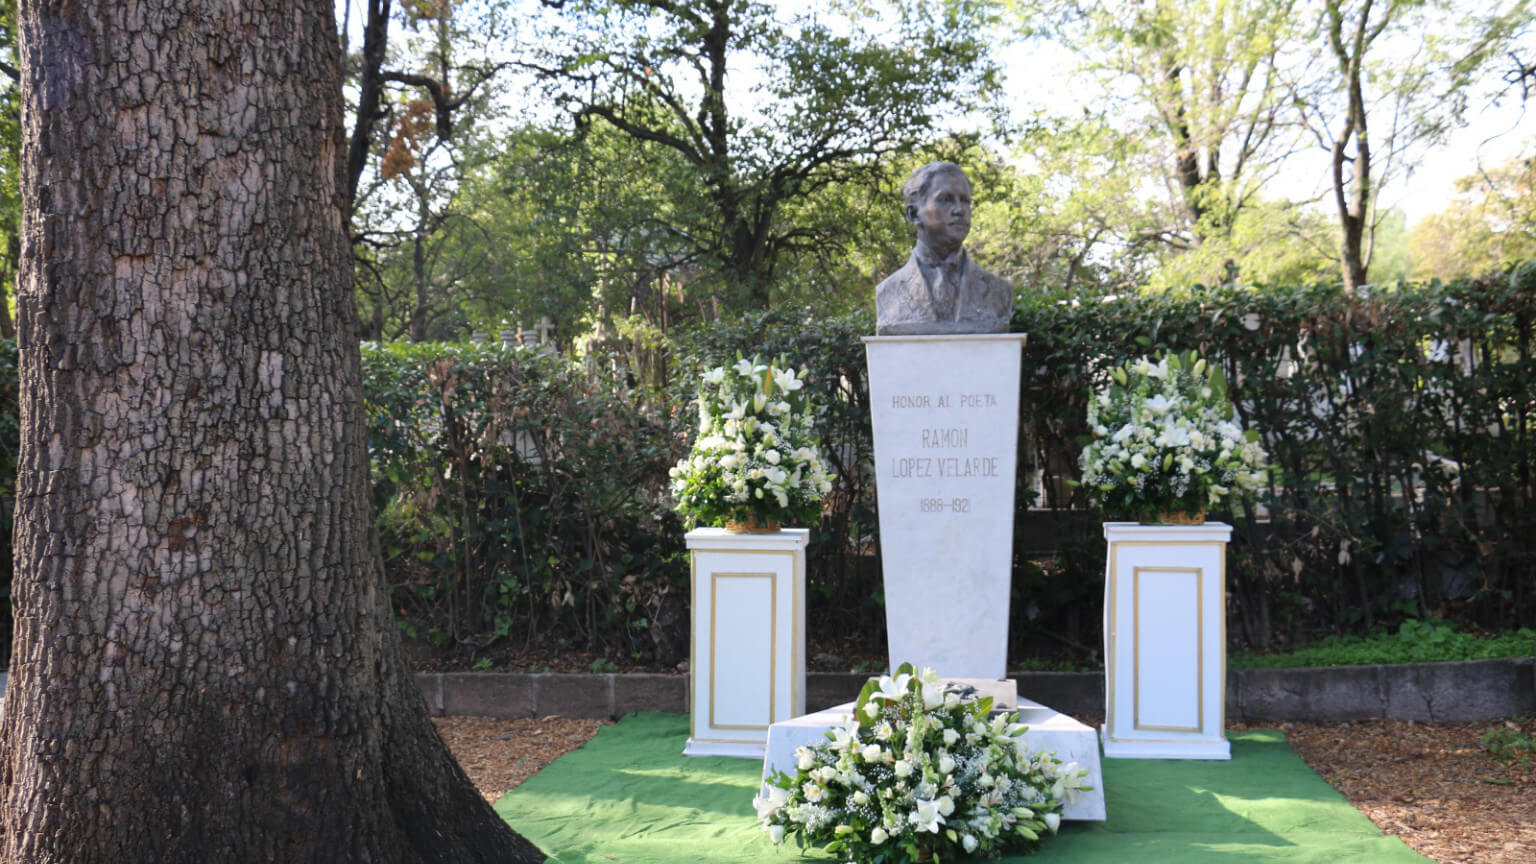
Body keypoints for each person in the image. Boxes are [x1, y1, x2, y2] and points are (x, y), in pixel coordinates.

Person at [875, 161, 1012, 335]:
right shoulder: (888, 292)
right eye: (945, 200)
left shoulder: (998, 291)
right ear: (914, 214)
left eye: (965, 201)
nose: (959, 210)